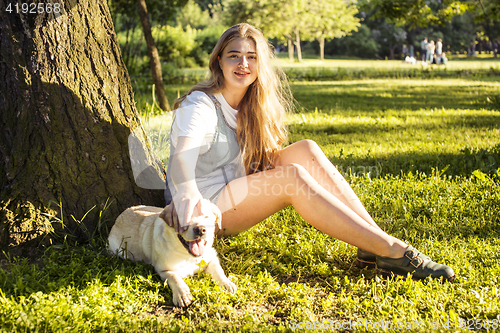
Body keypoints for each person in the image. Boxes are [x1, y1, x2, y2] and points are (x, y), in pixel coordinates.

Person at [164, 23, 455, 282]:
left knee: (305, 149)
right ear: (219, 61)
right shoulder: (200, 105)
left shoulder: (250, 105)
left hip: (232, 187)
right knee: (291, 178)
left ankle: (372, 242)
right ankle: (392, 250)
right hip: (204, 208)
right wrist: (187, 194)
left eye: (252, 57)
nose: (243, 64)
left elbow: (259, 158)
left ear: (260, 65)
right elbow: (182, 157)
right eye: (234, 55)